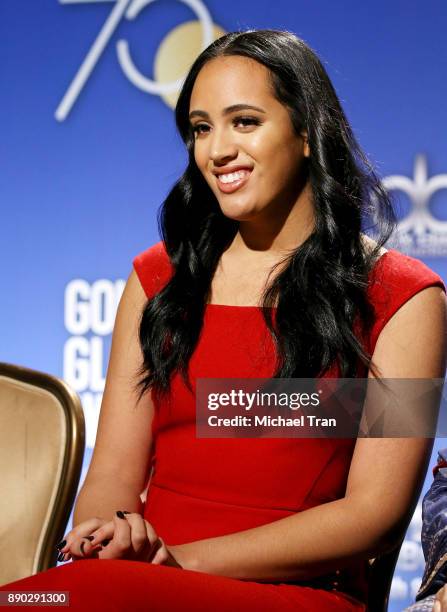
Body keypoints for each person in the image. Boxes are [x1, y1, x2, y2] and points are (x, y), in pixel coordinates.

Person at [1, 29, 446, 611]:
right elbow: (110, 473)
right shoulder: (158, 280)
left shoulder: (407, 299)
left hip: (292, 593)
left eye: (244, 122)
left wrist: (177, 559)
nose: (216, 151)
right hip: (132, 581)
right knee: (37, 600)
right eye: (201, 128)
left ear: (308, 132)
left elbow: (375, 516)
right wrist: (105, 532)